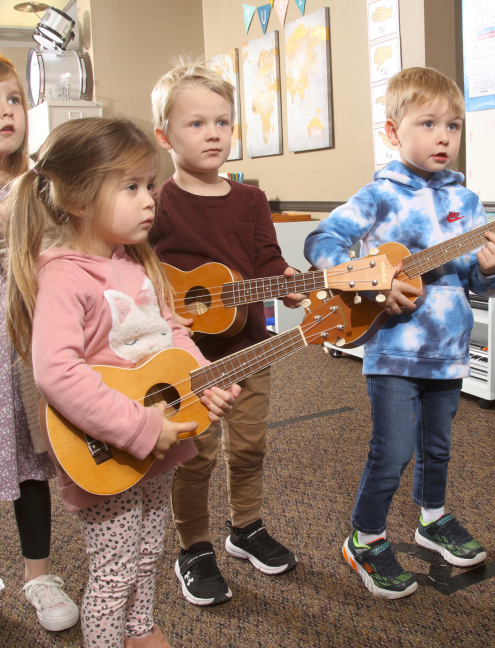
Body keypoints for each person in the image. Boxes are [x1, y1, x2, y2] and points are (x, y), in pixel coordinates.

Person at [3, 116, 240, 647]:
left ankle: (140, 632)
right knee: (112, 573)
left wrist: (203, 378)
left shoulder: (134, 262)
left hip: (154, 445)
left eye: (150, 185)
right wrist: (136, 428)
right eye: (131, 187)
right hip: (109, 448)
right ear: (80, 199)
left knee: (148, 553)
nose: (149, 199)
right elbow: (56, 372)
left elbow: (170, 333)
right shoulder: (65, 276)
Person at [304, 67, 495, 599]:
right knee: (391, 451)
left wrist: (490, 266)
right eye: (428, 123)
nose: (444, 136)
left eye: (454, 126)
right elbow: (323, 242)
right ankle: (366, 538)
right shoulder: (379, 195)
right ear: (393, 132)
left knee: (437, 447)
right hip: (394, 352)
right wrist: (373, 287)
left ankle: (432, 519)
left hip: (448, 352)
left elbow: (480, 284)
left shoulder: (469, 202)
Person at [149, 61, 306, 607]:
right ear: (164, 135)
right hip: (189, 360)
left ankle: (247, 526)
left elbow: (267, 260)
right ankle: (192, 546)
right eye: (196, 124)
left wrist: (289, 284)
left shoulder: (250, 201)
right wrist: (166, 308)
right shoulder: (158, 204)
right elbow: (141, 274)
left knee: (250, 444)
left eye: (223, 121)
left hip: (251, 346)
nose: (213, 133)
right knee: (195, 456)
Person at [0, 53, 79, 632]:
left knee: (30, 459)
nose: (5, 112)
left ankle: (38, 574)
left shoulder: (41, 184)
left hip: (23, 335)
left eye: (13, 100)